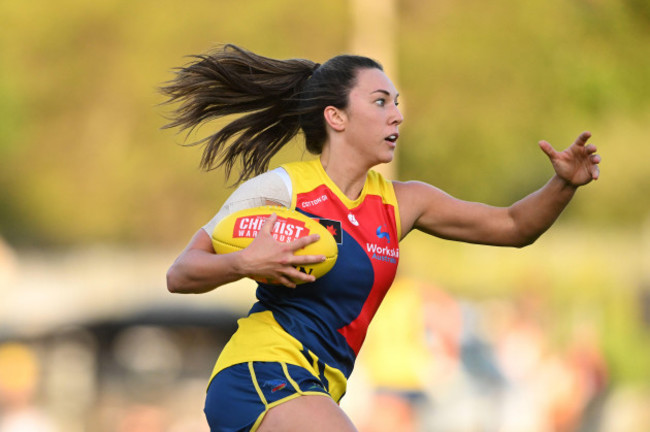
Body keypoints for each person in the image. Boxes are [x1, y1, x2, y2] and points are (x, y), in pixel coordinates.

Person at [161, 44, 601, 432]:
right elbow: (180, 273)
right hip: (260, 371)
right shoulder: (283, 189)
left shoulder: (402, 203)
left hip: (317, 387)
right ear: (335, 117)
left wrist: (563, 185)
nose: (397, 114)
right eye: (379, 101)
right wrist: (243, 263)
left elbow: (513, 226)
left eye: (396, 102)